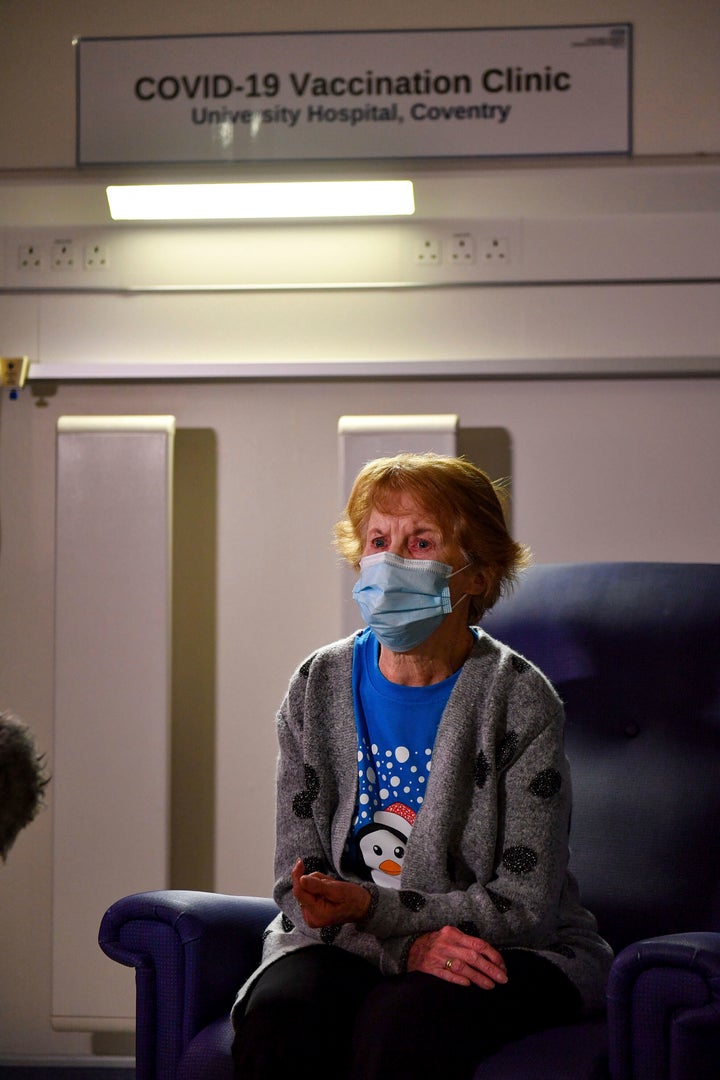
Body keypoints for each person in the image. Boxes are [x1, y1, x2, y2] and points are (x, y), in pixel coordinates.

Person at [231, 452, 612, 1079]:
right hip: (346, 942)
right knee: (280, 1018)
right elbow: (295, 889)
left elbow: (523, 904)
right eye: (378, 541)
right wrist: (401, 949)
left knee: (401, 1027)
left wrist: (376, 919)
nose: (389, 563)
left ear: (476, 574)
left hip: (508, 945)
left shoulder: (519, 698)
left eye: (421, 542)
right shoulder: (315, 685)